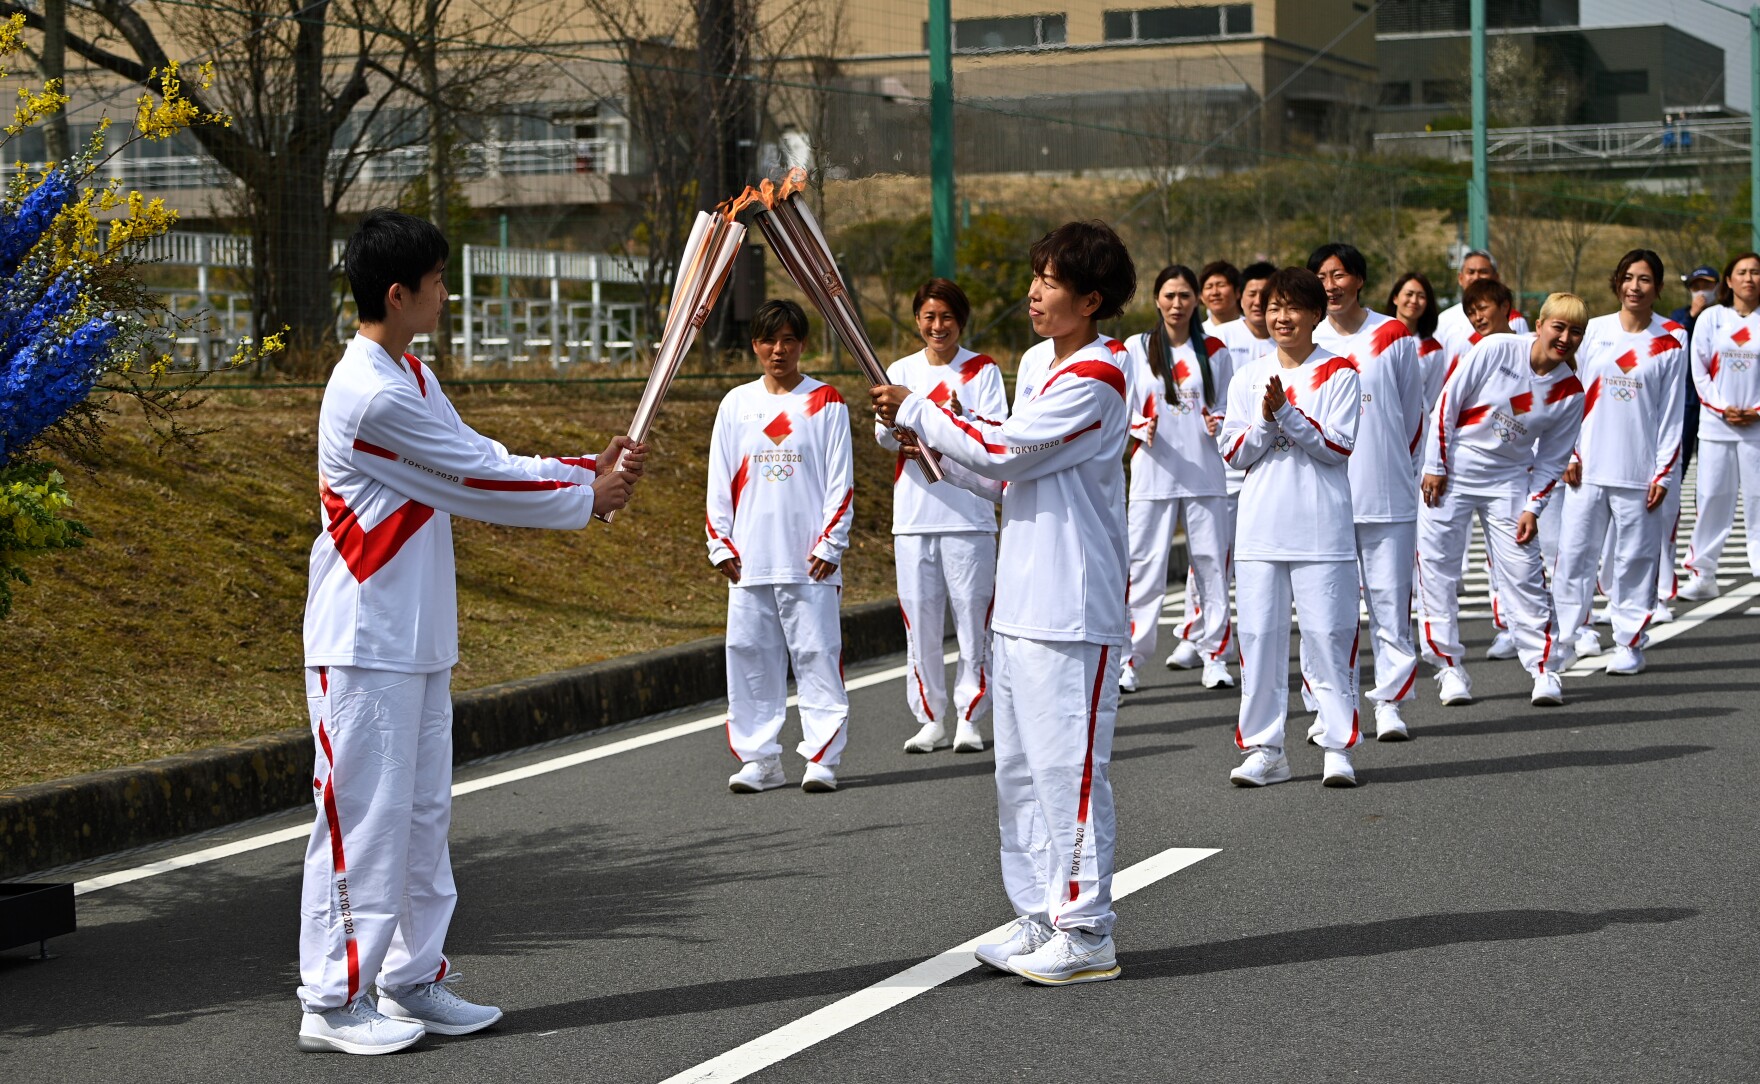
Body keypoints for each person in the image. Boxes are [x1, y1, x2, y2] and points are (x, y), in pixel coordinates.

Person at [298, 209, 644, 1054]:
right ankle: (332, 999)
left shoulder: (409, 374)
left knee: (419, 818)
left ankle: (411, 980)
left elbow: (471, 451)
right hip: (363, 642)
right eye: (438, 282)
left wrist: (579, 472)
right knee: (365, 820)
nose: (446, 294)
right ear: (398, 293)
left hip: (415, 639)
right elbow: (471, 478)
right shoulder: (371, 393)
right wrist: (585, 497)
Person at [873, 220, 1135, 987]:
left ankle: (1086, 931)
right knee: (1018, 772)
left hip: (1073, 602)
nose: (1033, 291)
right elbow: (999, 475)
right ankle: (1036, 916)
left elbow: (1005, 448)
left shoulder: (1101, 374)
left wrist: (921, 409)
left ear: (1091, 299)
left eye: (1051, 282)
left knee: (1069, 772)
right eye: (1035, 276)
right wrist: (925, 451)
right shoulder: (1037, 364)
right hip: (1019, 599)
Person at [1220, 266, 1364, 786]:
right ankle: (1265, 749)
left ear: (1315, 314)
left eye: (1293, 308)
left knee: (1327, 635)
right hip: (1260, 529)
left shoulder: (1340, 373)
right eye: (1273, 307)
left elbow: (1337, 447)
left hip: (1321, 527)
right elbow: (1233, 452)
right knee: (1258, 637)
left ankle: (1337, 746)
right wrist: (1265, 418)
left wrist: (1288, 413)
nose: (1282, 317)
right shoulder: (1246, 376)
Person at [707, 299, 855, 793]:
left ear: (802, 345)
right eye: (770, 340)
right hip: (750, 558)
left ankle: (822, 757)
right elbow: (719, 480)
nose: (779, 349)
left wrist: (830, 543)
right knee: (748, 654)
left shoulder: (826, 402)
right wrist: (720, 542)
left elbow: (841, 481)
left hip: (809, 559)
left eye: (789, 340)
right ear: (755, 345)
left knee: (816, 654)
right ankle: (760, 760)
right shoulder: (736, 404)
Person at [1419, 293, 1587, 708]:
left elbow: (1553, 459)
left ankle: (1544, 669)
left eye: (1575, 331)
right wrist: (1436, 465)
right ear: (1541, 323)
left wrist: (1533, 507)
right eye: (1558, 326)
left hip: (1509, 481)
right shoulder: (1496, 347)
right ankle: (1448, 668)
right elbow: (1448, 403)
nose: (1565, 337)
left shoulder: (1570, 391)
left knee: (1524, 573)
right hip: (1454, 472)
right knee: (1437, 569)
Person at [875, 279, 1007, 754]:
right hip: (914, 517)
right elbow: (884, 434)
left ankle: (970, 716)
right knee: (920, 623)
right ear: (917, 321)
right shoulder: (899, 370)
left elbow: (994, 432)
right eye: (929, 317)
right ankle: (930, 717)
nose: (938, 326)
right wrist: (909, 428)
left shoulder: (982, 370)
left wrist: (940, 422)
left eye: (946, 317)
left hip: (969, 516)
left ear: (960, 321)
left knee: (974, 621)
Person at [1309, 243, 1424, 741]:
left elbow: (1413, 417)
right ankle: (1329, 707)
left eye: (1338, 275)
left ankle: (1390, 704)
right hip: (1324, 496)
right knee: (1327, 612)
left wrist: (1401, 472)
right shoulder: (1308, 339)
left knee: (1389, 605)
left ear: (1358, 280)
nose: (1330, 284)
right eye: (1321, 276)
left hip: (1385, 490)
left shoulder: (1392, 334)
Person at [1553, 250, 1687, 675]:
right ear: (1617, 282)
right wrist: (1568, 452)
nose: (1635, 286)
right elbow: (1570, 393)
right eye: (1628, 278)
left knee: (1634, 560)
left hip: (1638, 471)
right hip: (1586, 467)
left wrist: (1664, 471)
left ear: (1659, 288)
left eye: (1644, 280)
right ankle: (1568, 638)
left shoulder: (1673, 338)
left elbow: (1671, 412)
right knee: (1574, 557)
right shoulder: (1593, 331)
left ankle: (1629, 642)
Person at [1121, 265, 1235, 693]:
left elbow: (1226, 405)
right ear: (1156, 299)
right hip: (1153, 474)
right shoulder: (1138, 347)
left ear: (1196, 301)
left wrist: (1218, 421)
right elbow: (1124, 407)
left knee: (1210, 566)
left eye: (1185, 296)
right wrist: (1138, 427)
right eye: (1169, 295)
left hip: (1205, 473)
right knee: (1145, 568)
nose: (1177, 303)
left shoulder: (1216, 350)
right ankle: (1129, 660)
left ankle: (1214, 656)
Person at [1680, 252, 1760, 597]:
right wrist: (1722, 407)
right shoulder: (1712, 318)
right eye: (1741, 272)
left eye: (1756, 272)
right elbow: (1698, 370)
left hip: (1756, 426)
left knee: (1758, 498)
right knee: (1713, 497)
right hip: (1717, 425)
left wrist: (1756, 410)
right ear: (1728, 280)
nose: (1749, 278)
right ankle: (1703, 574)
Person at [1436, 249, 1532, 344]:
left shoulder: (1512, 318)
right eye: (1471, 272)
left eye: (1483, 272)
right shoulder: (1444, 320)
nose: (1476, 277)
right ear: (1460, 278)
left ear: (1496, 277)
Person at [1388, 271, 1447, 409]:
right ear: (1395, 298)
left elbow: (1430, 400)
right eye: (1409, 294)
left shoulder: (1432, 349)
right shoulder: (1376, 336)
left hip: (1416, 427)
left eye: (1421, 296)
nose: (1414, 301)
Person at [1200, 260, 1244, 326]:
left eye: (1221, 285)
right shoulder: (1198, 334)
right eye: (1208, 287)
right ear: (1201, 296)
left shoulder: (1255, 331)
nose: (1214, 292)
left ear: (1237, 292)